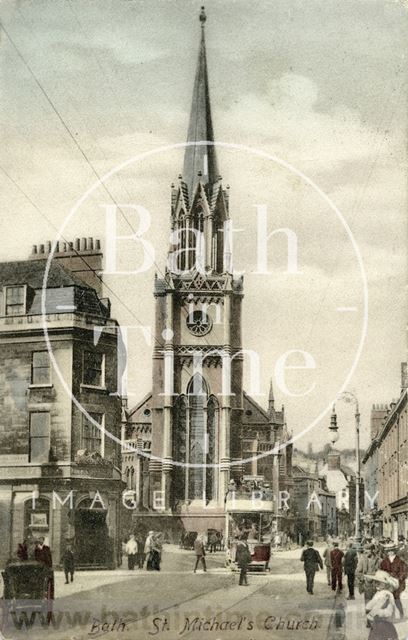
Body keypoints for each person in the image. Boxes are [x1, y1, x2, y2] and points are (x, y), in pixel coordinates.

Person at [365, 569, 399, 640]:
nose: (376, 584)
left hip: (383, 623)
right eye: (375, 582)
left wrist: (376, 613)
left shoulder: (385, 594)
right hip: (379, 622)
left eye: (379, 582)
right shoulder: (380, 593)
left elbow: (389, 611)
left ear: (385, 584)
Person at [380, 542, 407, 619]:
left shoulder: (400, 561)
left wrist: (399, 578)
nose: (390, 552)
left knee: (396, 598)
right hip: (387, 583)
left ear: (394, 551)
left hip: (398, 583)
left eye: (391, 550)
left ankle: (401, 613)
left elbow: (404, 571)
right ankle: (391, 614)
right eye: (388, 551)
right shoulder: (384, 561)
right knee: (388, 598)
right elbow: (381, 571)